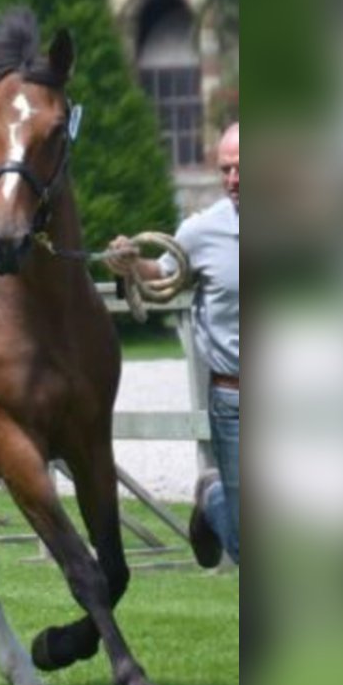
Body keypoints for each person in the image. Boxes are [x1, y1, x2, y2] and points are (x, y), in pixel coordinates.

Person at [105, 122, 240, 567]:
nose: (233, 179)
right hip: (232, 397)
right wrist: (130, 263)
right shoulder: (203, 231)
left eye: (241, 168)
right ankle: (212, 496)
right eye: (225, 170)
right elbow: (163, 271)